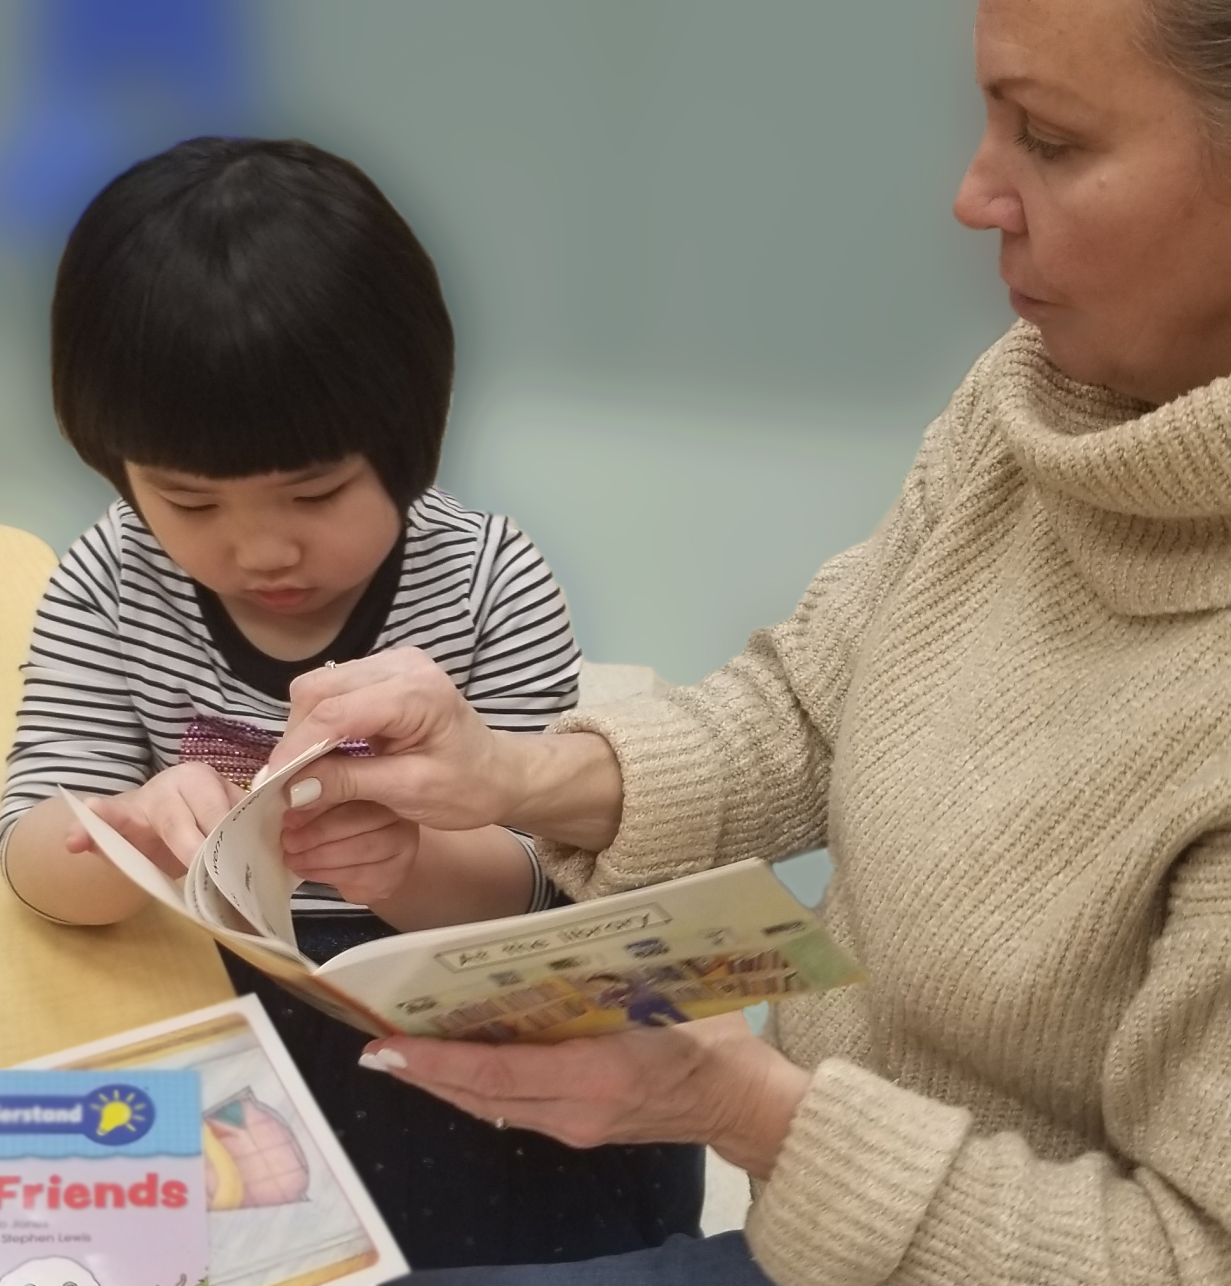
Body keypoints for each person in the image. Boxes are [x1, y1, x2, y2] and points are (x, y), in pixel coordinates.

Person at [257, 0, 1231, 1281]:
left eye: (1048, 138)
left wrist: (743, 1106)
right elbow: (811, 705)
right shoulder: (1038, 402)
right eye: (988, 118)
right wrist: (513, 775)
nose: (973, 192)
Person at [0, 137, 703, 1270]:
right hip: (210, 991)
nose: (262, 546)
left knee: (536, 1186)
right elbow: (30, 849)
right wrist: (120, 832)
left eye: (315, 491)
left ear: (405, 439)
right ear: (114, 463)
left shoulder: (485, 581)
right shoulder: (108, 580)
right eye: (188, 498)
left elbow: (538, 884)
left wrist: (410, 861)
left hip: (436, 995)